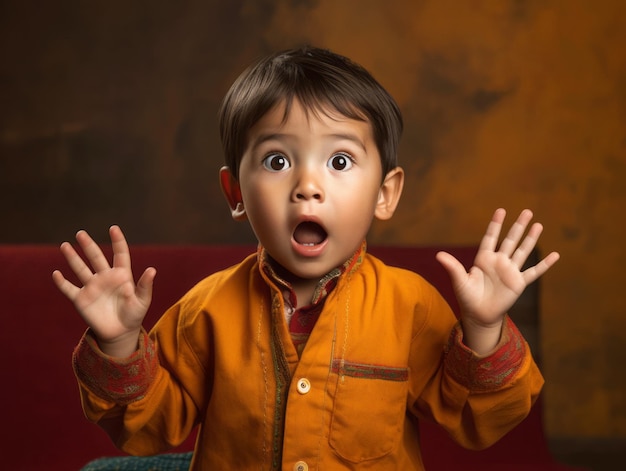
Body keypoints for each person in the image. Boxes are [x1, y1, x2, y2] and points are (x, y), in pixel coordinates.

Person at [53, 46, 560, 470]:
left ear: (385, 193)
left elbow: (477, 420)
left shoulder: (411, 306)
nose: (308, 187)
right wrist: (118, 344)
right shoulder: (203, 310)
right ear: (235, 193)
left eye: (339, 161)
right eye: (278, 161)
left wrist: (486, 330)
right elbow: (149, 427)